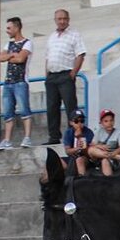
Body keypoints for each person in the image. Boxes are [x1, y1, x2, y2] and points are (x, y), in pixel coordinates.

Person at [44, 9, 86, 145]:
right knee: (51, 108)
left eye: (64, 18)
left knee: (71, 108)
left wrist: (73, 72)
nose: (62, 21)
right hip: (52, 77)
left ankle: (73, 136)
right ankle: (54, 137)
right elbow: (47, 56)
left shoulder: (75, 35)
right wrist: (47, 74)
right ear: (55, 20)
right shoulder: (51, 37)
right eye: (59, 19)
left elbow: (80, 54)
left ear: (68, 19)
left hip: (65, 75)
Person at [0, 16, 34, 150]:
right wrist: (12, 55)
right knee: (8, 112)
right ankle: (7, 140)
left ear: (17, 27)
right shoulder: (8, 44)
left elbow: (21, 58)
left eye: (9, 28)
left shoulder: (27, 43)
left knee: (24, 109)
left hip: (21, 81)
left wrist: (9, 56)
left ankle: (27, 137)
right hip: (8, 82)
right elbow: (0, 57)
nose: (7, 31)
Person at [88, 109, 120, 175]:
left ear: (114, 121)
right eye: (106, 121)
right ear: (101, 123)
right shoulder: (99, 132)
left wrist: (114, 153)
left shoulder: (118, 133)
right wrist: (99, 146)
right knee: (90, 150)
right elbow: (92, 145)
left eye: (111, 120)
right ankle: (110, 156)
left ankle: (109, 181)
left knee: (105, 161)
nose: (109, 123)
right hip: (105, 157)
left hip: (114, 161)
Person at [63, 109, 93, 175]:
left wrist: (80, 137)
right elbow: (67, 151)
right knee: (57, 161)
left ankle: (82, 182)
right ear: (71, 122)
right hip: (72, 157)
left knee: (79, 160)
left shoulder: (89, 132)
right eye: (76, 121)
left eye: (82, 121)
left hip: (85, 158)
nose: (79, 123)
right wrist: (77, 148)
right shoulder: (68, 133)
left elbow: (88, 151)